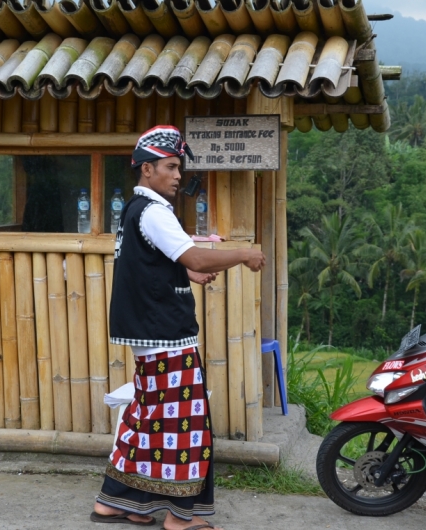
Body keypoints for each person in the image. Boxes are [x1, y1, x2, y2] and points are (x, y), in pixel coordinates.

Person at [90, 126, 266, 530]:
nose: (177, 175)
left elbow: (155, 263)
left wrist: (187, 273)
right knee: (184, 424)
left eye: (178, 167)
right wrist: (242, 254)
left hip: (147, 332)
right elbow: (197, 258)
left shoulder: (135, 210)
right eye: (170, 167)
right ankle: (180, 517)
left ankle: (119, 502)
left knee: (148, 417)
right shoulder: (154, 211)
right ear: (147, 169)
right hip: (164, 333)